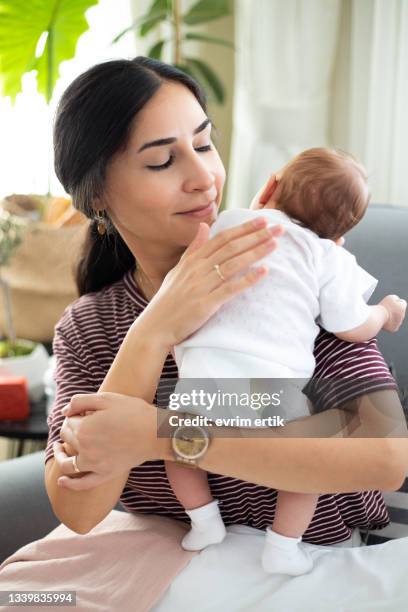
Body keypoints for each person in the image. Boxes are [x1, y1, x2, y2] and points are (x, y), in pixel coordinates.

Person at [30, 56, 406, 601]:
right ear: (97, 198)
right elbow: (80, 509)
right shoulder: (92, 324)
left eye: (204, 145)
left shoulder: (278, 270)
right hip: (160, 566)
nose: (204, 177)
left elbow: (386, 457)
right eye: (162, 161)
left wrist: (161, 433)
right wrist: (153, 329)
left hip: (306, 570)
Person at [169, 147, 407, 576]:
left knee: (179, 452)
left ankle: (204, 523)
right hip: (271, 385)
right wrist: (386, 314)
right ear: (341, 232)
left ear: (271, 186)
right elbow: (349, 324)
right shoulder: (326, 254)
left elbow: (181, 283)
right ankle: (283, 547)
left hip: (201, 375)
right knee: (304, 468)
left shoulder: (228, 224)